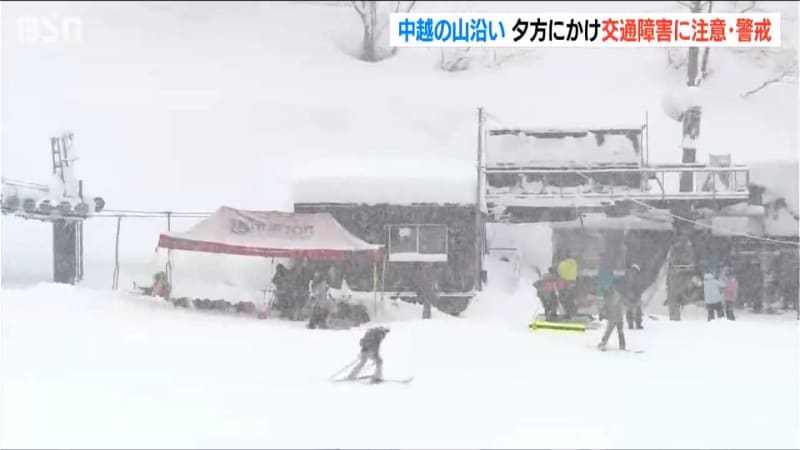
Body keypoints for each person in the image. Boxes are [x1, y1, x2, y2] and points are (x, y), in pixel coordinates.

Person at [666, 234, 695, 321]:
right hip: (681, 274)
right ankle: (675, 316)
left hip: (677, 274)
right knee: (677, 297)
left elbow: (671, 260)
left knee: (674, 298)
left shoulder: (676, 249)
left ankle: (674, 316)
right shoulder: (686, 249)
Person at [598, 277, 626, 351]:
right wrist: (602, 313)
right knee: (617, 331)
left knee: (612, 330)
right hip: (615, 316)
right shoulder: (610, 294)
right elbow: (606, 306)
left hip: (616, 316)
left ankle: (604, 343)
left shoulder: (615, 295)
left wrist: (605, 315)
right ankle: (621, 345)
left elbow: (612, 306)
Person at [625, 264, 644, 330]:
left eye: (635, 270)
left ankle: (636, 323)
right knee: (631, 310)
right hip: (630, 295)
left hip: (635, 295)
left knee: (636, 310)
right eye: (633, 270)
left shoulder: (637, 278)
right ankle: (632, 323)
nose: (634, 272)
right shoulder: (630, 278)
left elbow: (640, 287)